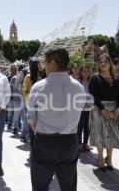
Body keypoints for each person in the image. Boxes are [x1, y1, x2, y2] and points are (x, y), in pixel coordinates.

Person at [28, 48, 85, 191]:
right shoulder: (79, 87)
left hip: (45, 142)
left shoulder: (39, 86)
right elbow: (80, 110)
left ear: (52, 63)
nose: (44, 67)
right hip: (69, 141)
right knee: (69, 186)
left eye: (45, 63)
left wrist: (41, 130)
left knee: (40, 186)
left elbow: (31, 118)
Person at [89, 54, 119, 171]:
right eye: (100, 62)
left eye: (105, 62)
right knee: (99, 134)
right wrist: (102, 109)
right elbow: (93, 96)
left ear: (110, 63)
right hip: (99, 109)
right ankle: (100, 158)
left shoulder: (118, 78)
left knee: (111, 135)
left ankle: (109, 159)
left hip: (114, 110)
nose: (102, 64)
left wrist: (118, 109)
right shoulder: (95, 77)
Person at [21, 60, 45, 143]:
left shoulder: (44, 76)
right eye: (39, 64)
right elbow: (24, 90)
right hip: (31, 104)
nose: (41, 65)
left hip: (43, 104)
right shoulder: (28, 77)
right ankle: (33, 143)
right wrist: (27, 102)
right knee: (32, 123)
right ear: (35, 66)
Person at [77, 66, 92, 152]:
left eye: (87, 71)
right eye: (84, 71)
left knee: (87, 127)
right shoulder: (78, 83)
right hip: (81, 108)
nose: (86, 73)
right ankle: (79, 143)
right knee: (80, 126)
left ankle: (86, 143)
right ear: (81, 73)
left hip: (90, 108)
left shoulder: (91, 83)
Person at [10, 65, 24, 135]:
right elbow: (12, 89)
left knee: (23, 115)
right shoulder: (14, 78)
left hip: (24, 99)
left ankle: (22, 128)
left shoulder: (25, 78)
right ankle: (15, 127)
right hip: (16, 99)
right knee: (16, 115)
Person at [6, 64, 18, 129]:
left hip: (17, 98)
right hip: (10, 98)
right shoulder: (7, 77)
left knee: (16, 113)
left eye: (15, 69)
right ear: (10, 70)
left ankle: (16, 125)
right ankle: (9, 124)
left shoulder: (19, 77)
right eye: (12, 69)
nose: (14, 70)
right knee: (10, 112)